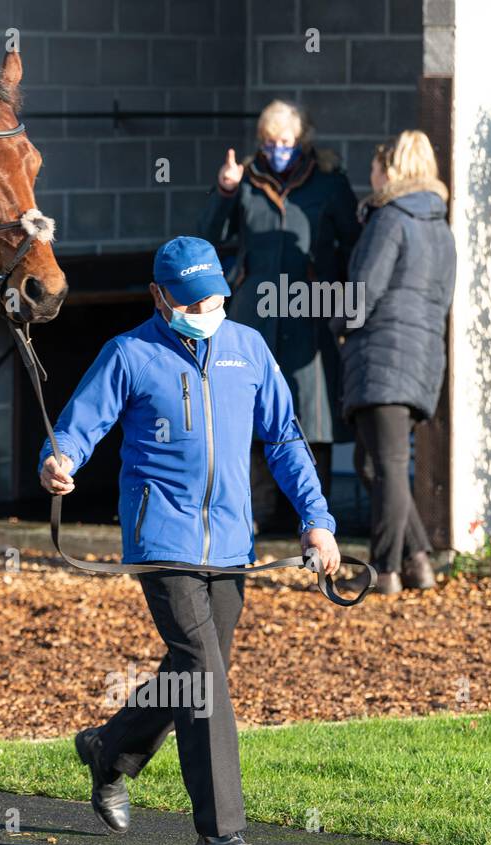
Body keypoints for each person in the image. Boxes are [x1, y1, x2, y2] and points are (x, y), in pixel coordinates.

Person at [39, 236, 341, 845]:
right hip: (161, 542)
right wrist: (59, 459)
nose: (207, 310)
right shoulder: (130, 353)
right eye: (193, 301)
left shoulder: (248, 349)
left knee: (192, 675)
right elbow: (79, 423)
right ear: (160, 297)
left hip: (233, 544)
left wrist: (317, 519)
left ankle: (110, 748)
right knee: (204, 676)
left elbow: (284, 438)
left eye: (216, 299)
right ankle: (220, 836)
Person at [199, 99, 360, 532]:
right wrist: (226, 191)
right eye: (270, 142)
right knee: (252, 404)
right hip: (254, 310)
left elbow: (353, 245)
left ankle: (313, 514)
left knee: (313, 410)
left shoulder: (329, 182)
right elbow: (208, 237)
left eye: (285, 141)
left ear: (301, 140)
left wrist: (345, 304)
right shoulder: (247, 180)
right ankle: (258, 510)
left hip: (311, 308)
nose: (277, 150)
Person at [334, 131, 456, 594]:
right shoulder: (441, 226)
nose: (370, 176)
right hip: (423, 356)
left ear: (392, 170)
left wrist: (339, 325)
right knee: (372, 462)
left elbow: (362, 292)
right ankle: (419, 559)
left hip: (383, 353)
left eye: (374, 168)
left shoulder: (390, 219)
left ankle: (383, 570)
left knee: (383, 464)